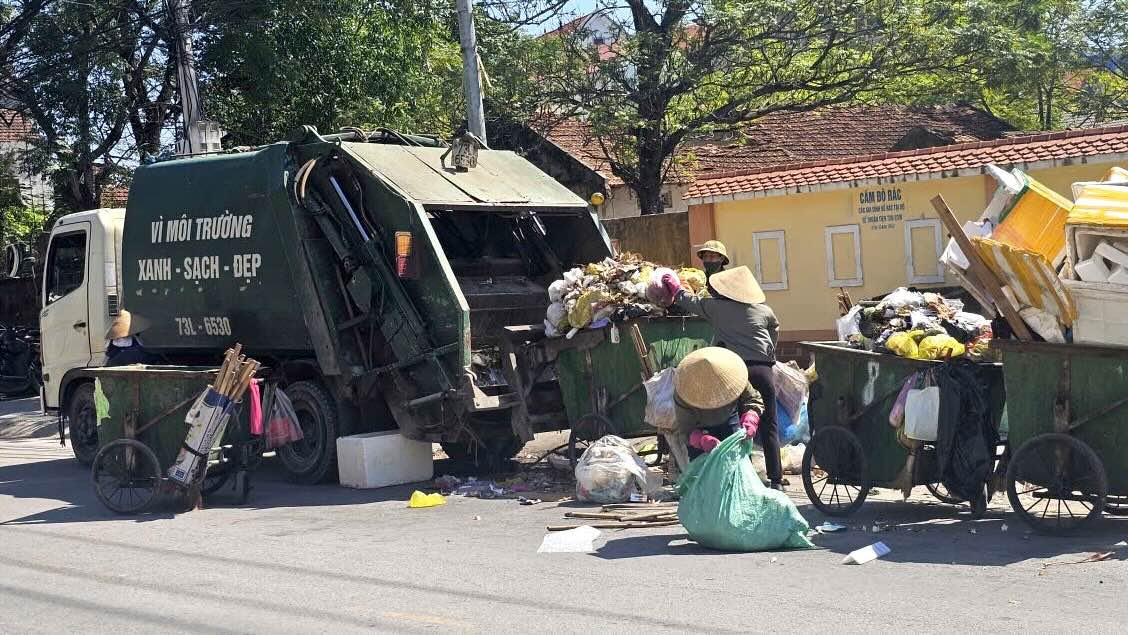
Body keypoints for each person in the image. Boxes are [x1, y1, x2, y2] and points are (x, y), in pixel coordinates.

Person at [662, 265, 785, 490]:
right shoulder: (763, 310)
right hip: (763, 369)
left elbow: (691, 302)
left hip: (733, 371)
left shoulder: (716, 307)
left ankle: (745, 477)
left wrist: (676, 289)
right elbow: (774, 329)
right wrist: (768, 352)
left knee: (736, 425)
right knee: (768, 424)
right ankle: (776, 480)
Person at [672, 347, 764, 465]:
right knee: (703, 470)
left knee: (737, 463)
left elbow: (753, 398)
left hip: (729, 418)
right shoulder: (684, 391)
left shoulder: (734, 376)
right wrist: (700, 439)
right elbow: (685, 429)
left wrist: (751, 417)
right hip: (700, 427)